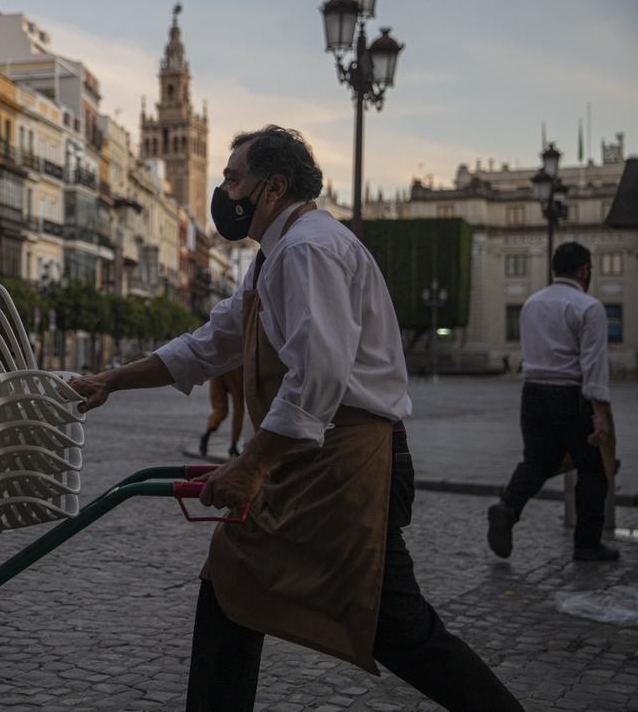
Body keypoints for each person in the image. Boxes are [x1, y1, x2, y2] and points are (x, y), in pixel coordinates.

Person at [69, 126, 520, 711]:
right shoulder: (272, 259)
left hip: (350, 465)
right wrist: (111, 380)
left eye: (234, 178)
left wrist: (251, 466)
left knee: (398, 629)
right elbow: (211, 343)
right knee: (232, 586)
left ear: (274, 188)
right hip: (317, 460)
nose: (224, 190)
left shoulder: (308, 250)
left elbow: (319, 378)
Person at [488, 242, 618, 562]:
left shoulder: (532, 303)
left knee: (537, 461)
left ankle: (508, 507)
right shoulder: (589, 307)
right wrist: (599, 413)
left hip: (532, 393)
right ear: (585, 270)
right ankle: (586, 544)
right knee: (593, 469)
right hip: (571, 394)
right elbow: (593, 365)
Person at [200, 368, 244, 457]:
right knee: (239, 407)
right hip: (235, 367)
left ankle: (207, 434)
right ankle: (233, 445)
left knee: (220, 408)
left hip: (218, 368)